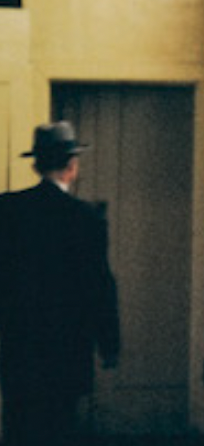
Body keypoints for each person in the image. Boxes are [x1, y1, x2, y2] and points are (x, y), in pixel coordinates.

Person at [0, 121, 121, 446]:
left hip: (17, 342)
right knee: (59, 426)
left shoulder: (8, 209)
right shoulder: (86, 218)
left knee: (18, 425)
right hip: (67, 344)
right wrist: (109, 342)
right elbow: (99, 285)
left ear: (37, 164)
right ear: (71, 165)